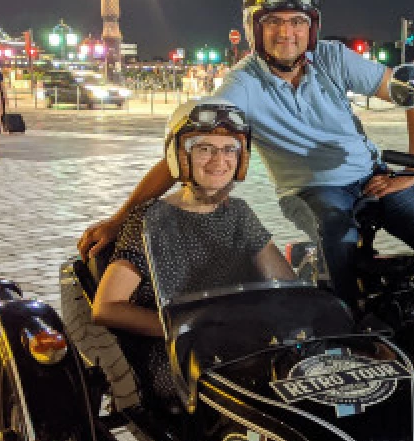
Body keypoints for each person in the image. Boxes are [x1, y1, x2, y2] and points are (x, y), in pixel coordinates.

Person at [79, 0, 414, 307]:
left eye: (297, 22)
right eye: (274, 21)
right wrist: (119, 219)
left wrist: (411, 170)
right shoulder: (242, 85)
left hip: (375, 177)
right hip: (311, 190)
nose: (287, 33)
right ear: (254, 28)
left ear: (312, 27)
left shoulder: (333, 58)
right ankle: (347, 329)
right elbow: (185, 152)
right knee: (339, 241)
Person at [92, 103, 296, 403]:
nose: (220, 160)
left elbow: (285, 282)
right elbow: (106, 308)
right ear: (181, 157)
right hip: (180, 353)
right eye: (205, 149)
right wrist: (186, 328)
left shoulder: (239, 214)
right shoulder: (150, 219)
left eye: (230, 150)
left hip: (242, 341)